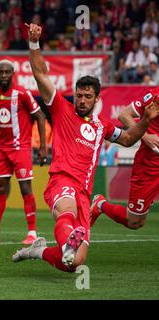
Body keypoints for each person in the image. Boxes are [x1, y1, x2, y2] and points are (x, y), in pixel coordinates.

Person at [12, 23, 159, 272]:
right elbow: (40, 75)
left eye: (87, 96)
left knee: (74, 264)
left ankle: (37, 250)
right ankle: (68, 243)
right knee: (66, 211)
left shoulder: (102, 126)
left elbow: (128, 139)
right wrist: (34, 44)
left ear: (96, 99)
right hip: (62, 181)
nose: (81, 100)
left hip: (84, 193)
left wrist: (145, 121)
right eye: (79, 95)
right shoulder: (61, 109)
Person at [0, 60, 48, 245]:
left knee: (25, 189)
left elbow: (40, 116)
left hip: (21, 148)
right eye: (1, 72)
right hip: (2, 150)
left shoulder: (22, 93)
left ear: (13, 74)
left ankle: (32, 233)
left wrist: (42, 147)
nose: (4, 75)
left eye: (7, 72)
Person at [91, 87, 159, 230]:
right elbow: (124, 115)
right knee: (135, 222)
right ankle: (101, 204)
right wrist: (145, 136)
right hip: (150, 165)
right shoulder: (154, 97)